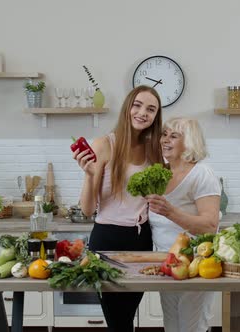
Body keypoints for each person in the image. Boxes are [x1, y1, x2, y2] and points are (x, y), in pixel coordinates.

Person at [72, 85, 163, 332]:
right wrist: (90, 176)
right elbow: (88, 209)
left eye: (151, 109)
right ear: (127, 107)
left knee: (128, 314)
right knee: (118, 321)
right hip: (106, 239)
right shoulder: (104, 145)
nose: (143, 112)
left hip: (141, 239)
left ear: (156, 117)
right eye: (138, 105)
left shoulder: (153, 150)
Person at [146, 117, 221, 332]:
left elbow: (209, 225)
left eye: (173, 135)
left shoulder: (201, 174)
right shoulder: (162, 173)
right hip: (167, 263)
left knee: (191, 327)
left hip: (195, 265)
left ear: (189, 142)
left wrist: (170, 211)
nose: (165, 140)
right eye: (164, 134)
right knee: (171, 327)